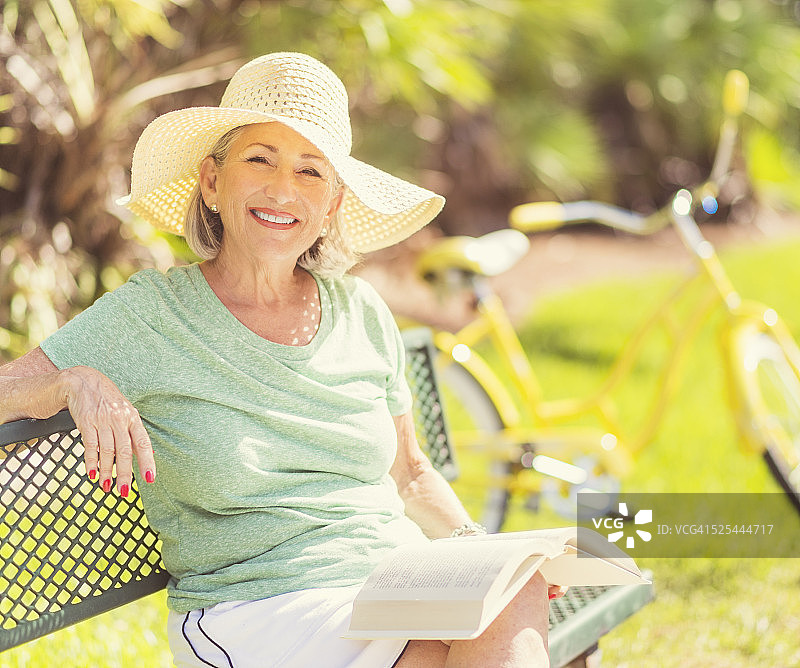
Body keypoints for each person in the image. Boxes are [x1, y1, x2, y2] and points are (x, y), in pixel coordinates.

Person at [0, 52, 561, 667]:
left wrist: (480, 554)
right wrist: (68, 382)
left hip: (391, 581)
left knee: (515, 588)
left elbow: (411, 473)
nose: (282, 190)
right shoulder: (150, 317)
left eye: (310, 172)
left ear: (334, 204)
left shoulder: (361, 310)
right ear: (212, 182)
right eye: (259, 160)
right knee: (433, 649)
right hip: (256, 607)